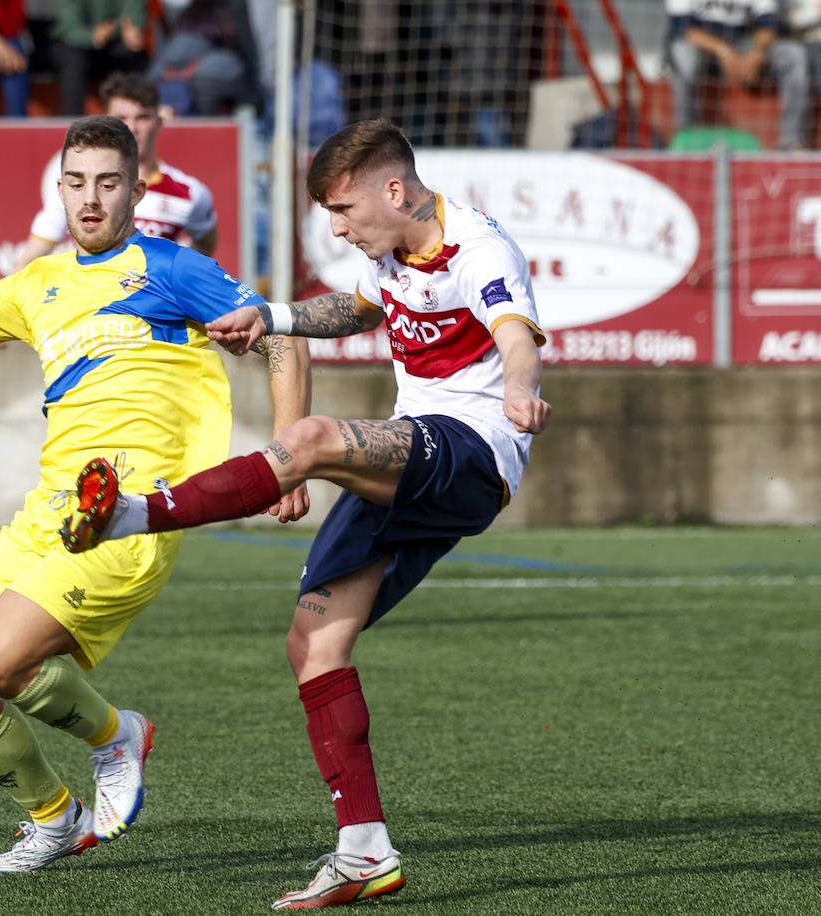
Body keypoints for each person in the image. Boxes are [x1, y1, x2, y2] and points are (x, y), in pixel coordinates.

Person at [61, 119, 550, 908]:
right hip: (413, 455)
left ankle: (131, 515)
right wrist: (273, 317)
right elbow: (357, 313)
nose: (338, 227)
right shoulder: (389, 253)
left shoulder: (482, 248)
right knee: (314, 641)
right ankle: (364, 852)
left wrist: (522, 387)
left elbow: (515, 334)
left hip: (473, 453)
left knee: (315, 437)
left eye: (345, 209)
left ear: (395, 190)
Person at [0, 114, 310, 874]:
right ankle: (53, 819)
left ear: (137, 188)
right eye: (77, 182)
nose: (91, 198)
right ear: (59, 189)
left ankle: (115, 734)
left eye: (109, 183)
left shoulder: (170, 268)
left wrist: (287, 452)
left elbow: (283, 336)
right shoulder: (39, 282)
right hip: (45, 513)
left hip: (125, 516)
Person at [15, 72, 218, 270]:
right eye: (122, 117)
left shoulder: (189, 193)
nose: (131, 127)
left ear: (160, 121)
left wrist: (176, 281)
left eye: (143, 117)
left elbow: (204, 247)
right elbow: (27, 263)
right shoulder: (81, 189)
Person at [666, 0, 809, 149]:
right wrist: (723, 51)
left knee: (793, 54)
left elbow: (768, 26)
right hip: (703, 51)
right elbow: (684, 29)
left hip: (742, 47)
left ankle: (791, 141)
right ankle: (686, 137)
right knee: (683, 53)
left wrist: (757, 53)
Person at [49, 0, 147, 116]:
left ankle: (134, 118)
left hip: (112, 42)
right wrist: (93, 35)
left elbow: (133, 17)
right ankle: (72, 121)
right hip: (72, 44)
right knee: (74, 61)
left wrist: (133, 32)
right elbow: (69, 27)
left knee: (135, 57)